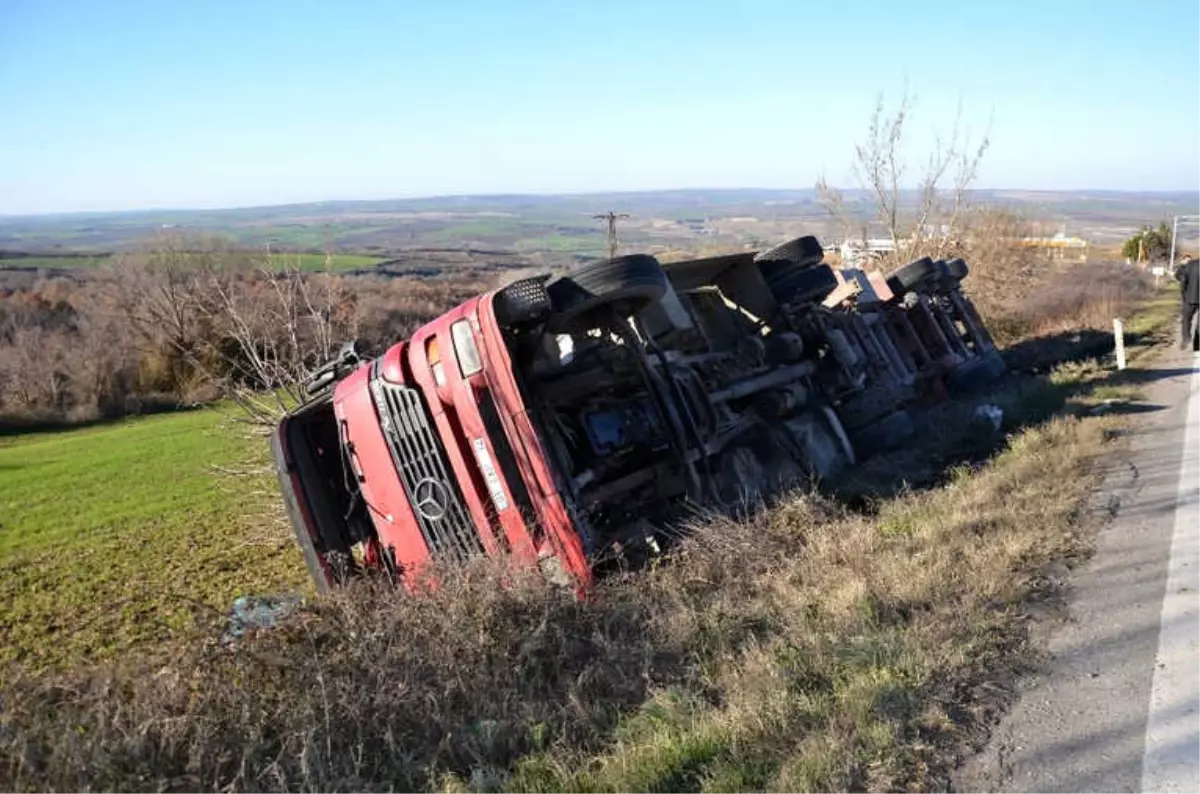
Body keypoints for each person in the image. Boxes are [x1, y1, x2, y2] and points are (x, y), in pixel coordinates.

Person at [1177, 254, 1200, 350]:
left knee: (1186, 319)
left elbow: (1183, 281)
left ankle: (1186, 338)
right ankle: (1197, 343)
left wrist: (1184, 295)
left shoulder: (1190, 264)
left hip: (1190, 297)